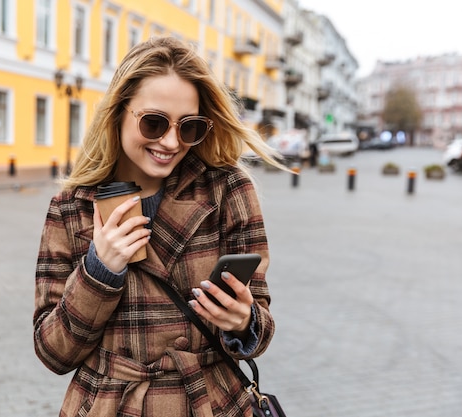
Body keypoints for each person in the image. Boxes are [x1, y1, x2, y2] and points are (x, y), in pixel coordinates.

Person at [33, 36, 282, 417]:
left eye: (189, 127)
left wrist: (243, 321)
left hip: (210, 404)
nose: (170, 142)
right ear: (119, 111)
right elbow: (53, 353)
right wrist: (99, 270)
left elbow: (259, 327)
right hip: (109, 406)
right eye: (154, 122)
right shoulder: (70, 208)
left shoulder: (227, 190)